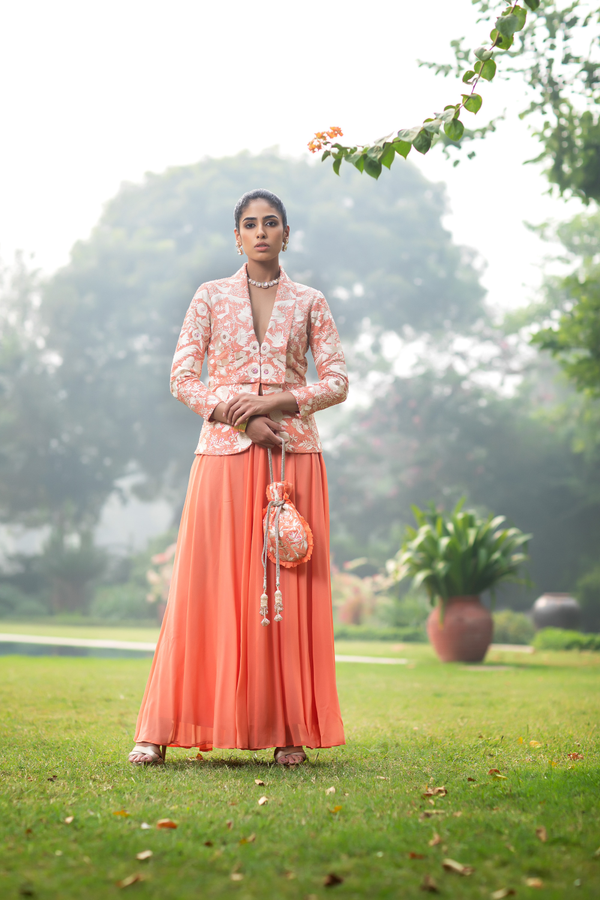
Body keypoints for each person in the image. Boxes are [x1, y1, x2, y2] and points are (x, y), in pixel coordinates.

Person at [129, 188, 349, 767]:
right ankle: (158, 728)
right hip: (222, 460)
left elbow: (337, 381)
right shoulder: (209, 297)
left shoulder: (310, 302)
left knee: (288, 595)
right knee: (201, 589)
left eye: (270, 223)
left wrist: (279, 401)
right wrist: (242, 419)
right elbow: (182, 377)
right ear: (236, 236)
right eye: (249, 224)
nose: (260, 232)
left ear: (285, 233)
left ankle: (289, 731)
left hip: (292, 460)